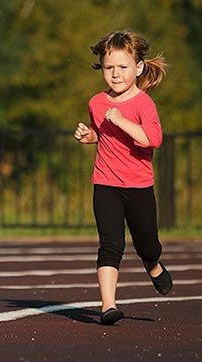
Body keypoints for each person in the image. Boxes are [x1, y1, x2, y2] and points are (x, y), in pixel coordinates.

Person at [73, 30, 174, 325]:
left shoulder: (144, 104)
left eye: (122, 67)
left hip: (139, 186)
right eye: (109, 68)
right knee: (110, 244)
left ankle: (153, 265)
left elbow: (152, 139)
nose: (115, 74)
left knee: (147, 244)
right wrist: (89, 135)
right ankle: (108, 306)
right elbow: (103, 135)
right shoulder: (96, 103)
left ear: (138, 68)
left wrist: (122, 120)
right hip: (106, 183)